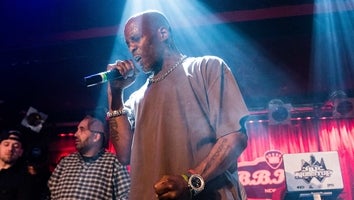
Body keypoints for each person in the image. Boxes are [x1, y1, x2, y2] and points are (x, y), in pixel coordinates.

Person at [106, 10, 249, 200]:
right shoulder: (136, 100)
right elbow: (124, 155)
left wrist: (190, 182)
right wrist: (115, 93)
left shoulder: (206, 68)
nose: (131, 48)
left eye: (136, 39)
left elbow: (234, 138)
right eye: (128, 43)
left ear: (163, 34)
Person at [48, 115, 131, 200]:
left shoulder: (114, 163)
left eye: (82, 129)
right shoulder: (66, 162)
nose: (76, 134)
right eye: (77, 129)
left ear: (96, 137)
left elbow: (127, 195)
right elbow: (51, 191)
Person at [0, 129, 34, 200]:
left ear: (20, 152)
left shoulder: (25, 179)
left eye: (16, 146)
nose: (10, 149)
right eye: (6, 144)